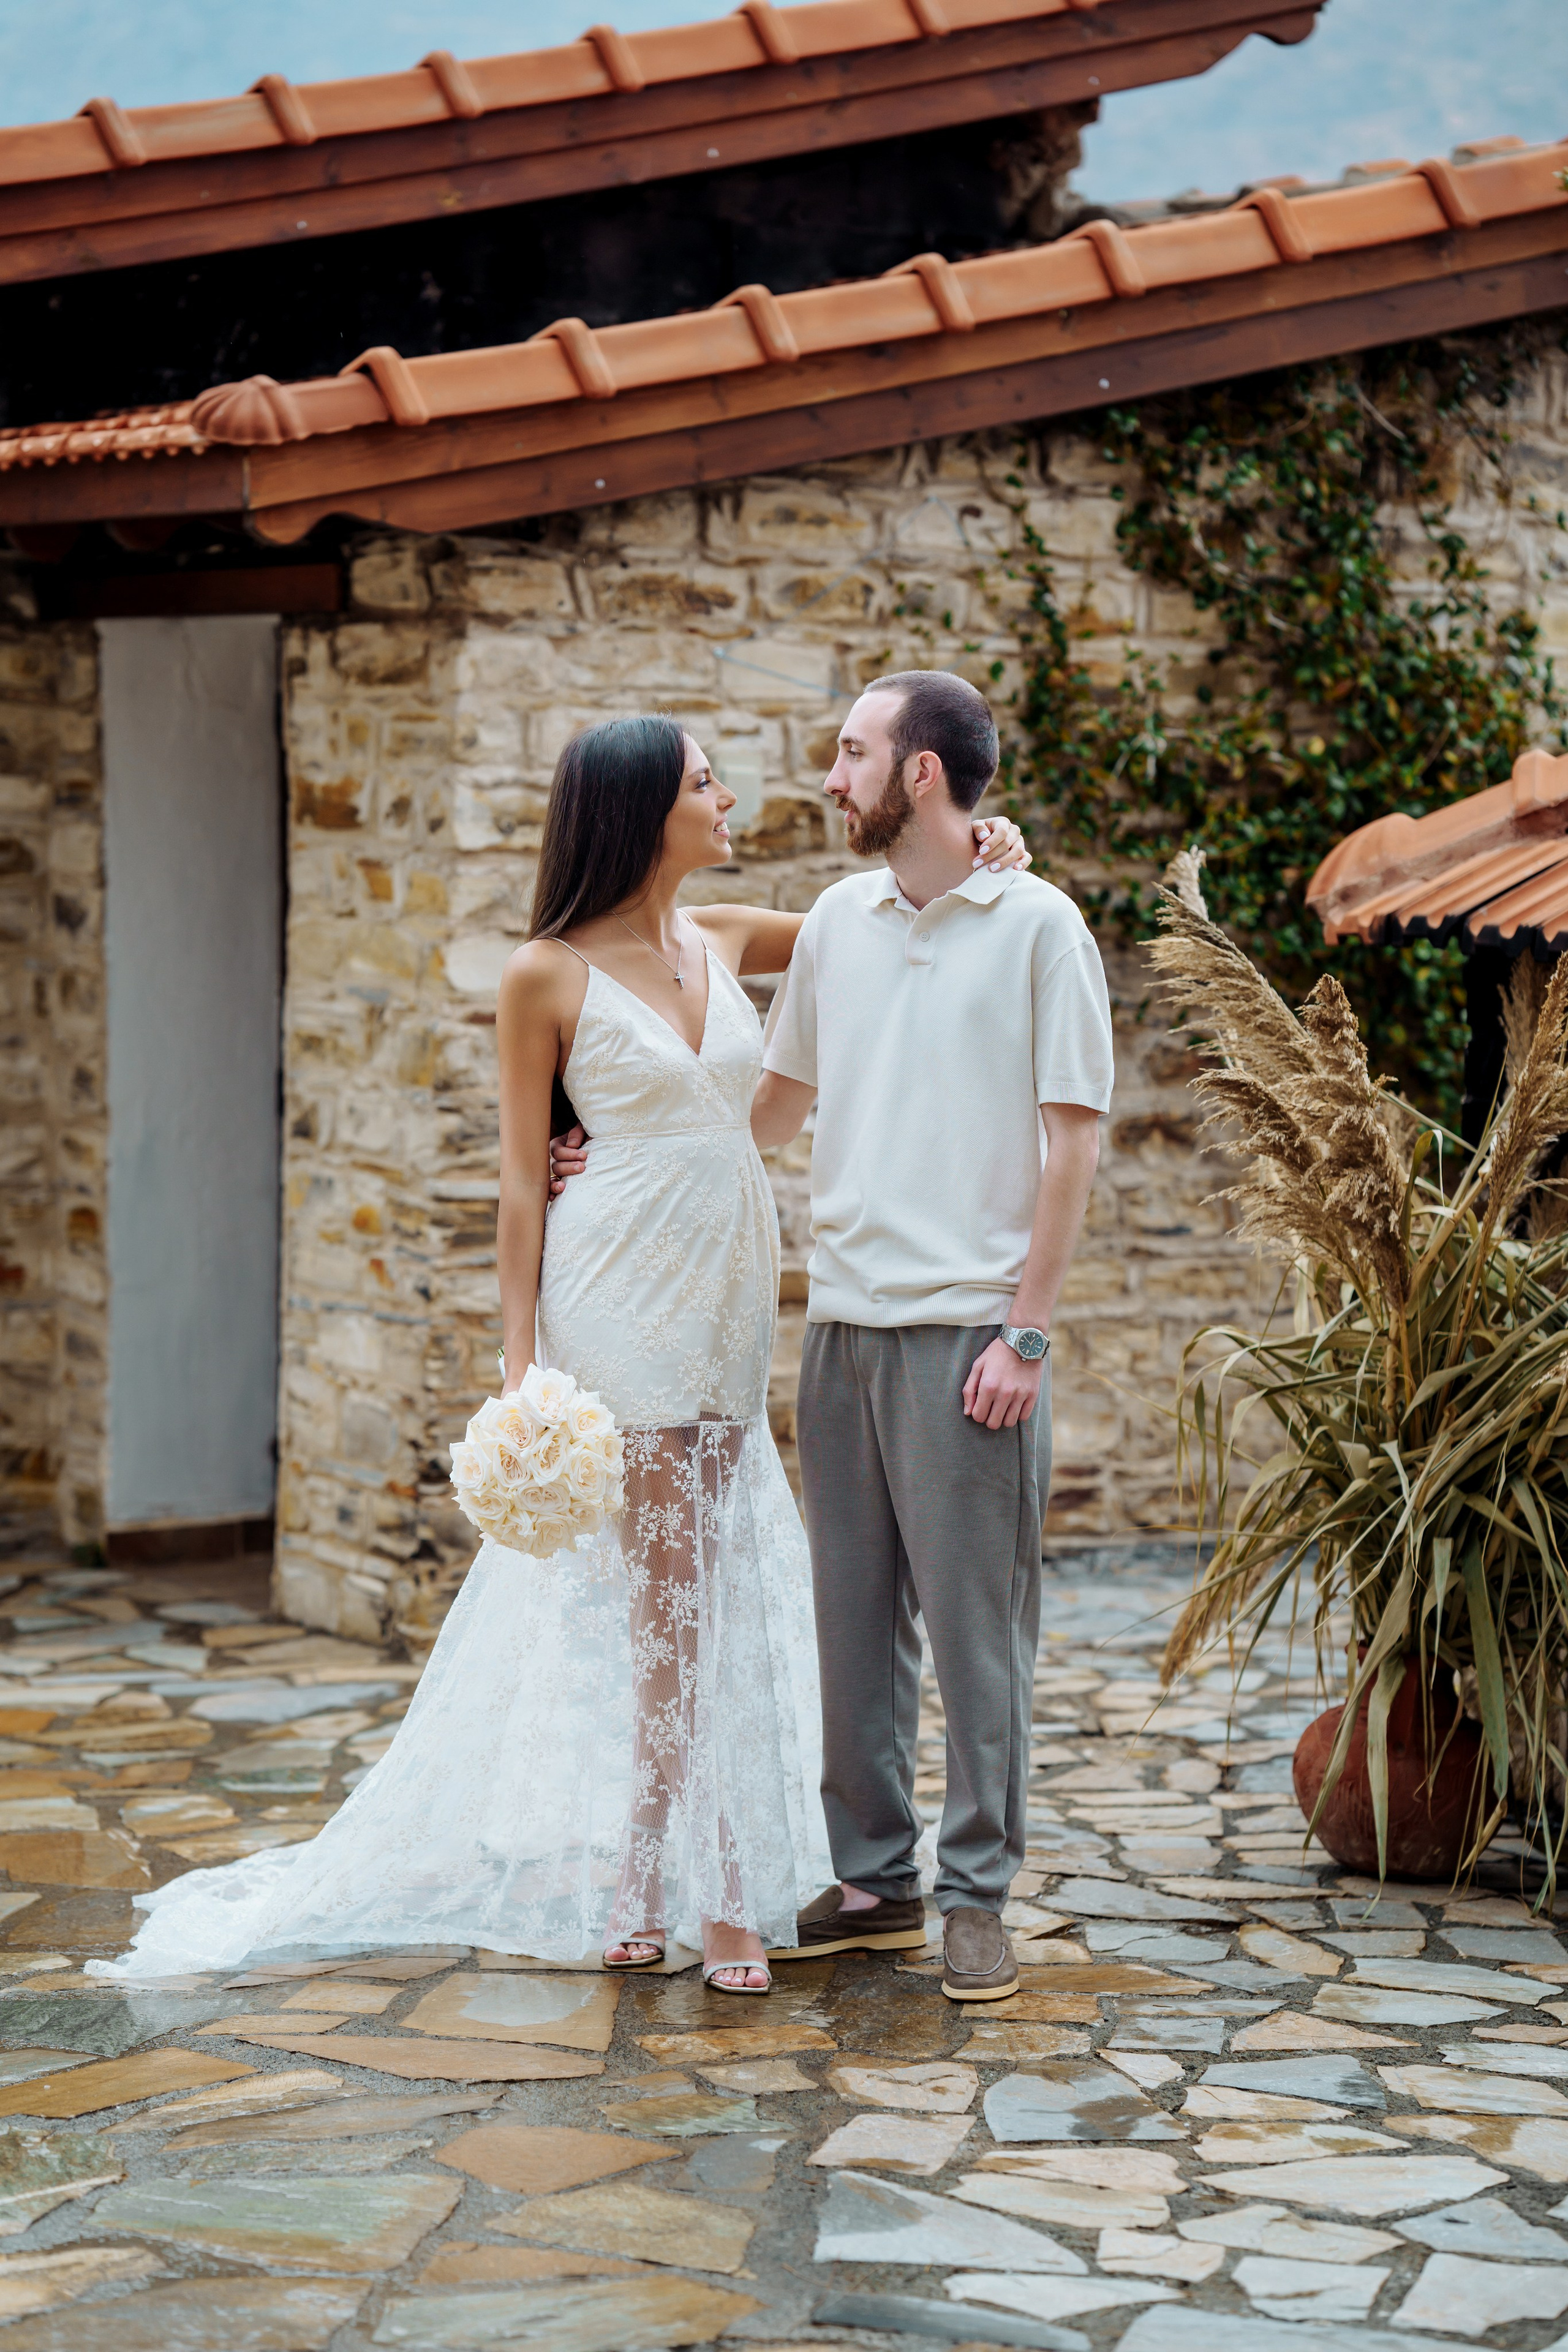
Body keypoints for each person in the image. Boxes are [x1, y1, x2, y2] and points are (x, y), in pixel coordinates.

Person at [95, 711, 1030, 1989]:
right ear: (643, 808)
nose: (727, 797)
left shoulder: (729, 936)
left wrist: (982, 842)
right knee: (674, 1604)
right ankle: (715, 1898)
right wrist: (518, 1366)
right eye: (705, 782)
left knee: (697, 1597)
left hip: (725, 1302)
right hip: (619, 1295)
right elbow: (521, 1184)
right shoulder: (544, 974)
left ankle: (641, 1879)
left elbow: (872, 912)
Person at [752, 671, 1112, 2002]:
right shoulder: (838, 923)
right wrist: (626, 1159)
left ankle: (975, 1897)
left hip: (971, 1337)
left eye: (850, 751)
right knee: (852, 1629)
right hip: (839, 1329)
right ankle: (870, 1881)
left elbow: (1072, 1142)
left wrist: (1026, 1336)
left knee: (977, 1638)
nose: (828, 774)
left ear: (917, 774)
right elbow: (773, 1106)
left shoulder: (1039, 927)